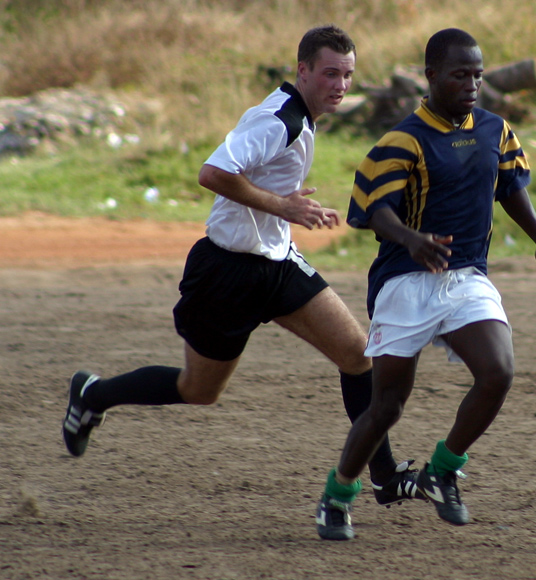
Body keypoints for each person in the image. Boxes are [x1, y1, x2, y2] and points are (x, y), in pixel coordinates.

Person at [61, 24, 425, 509]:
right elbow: (211, 173)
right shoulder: (278, 119)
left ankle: (382, 475)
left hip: (275, 265)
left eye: (348, 75)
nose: (340, 84)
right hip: (227, 272)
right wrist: (285, 207)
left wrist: (284, 213)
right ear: (303, 70)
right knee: (199, 389)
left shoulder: (301, 117)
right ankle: (93, 394)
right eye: (330, 73)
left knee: (359, 356)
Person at [315, 28, 536, 541]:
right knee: (386, 407)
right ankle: (337, 496)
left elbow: (510, 188)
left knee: (498, 372)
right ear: (430, 77)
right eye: (459, 74)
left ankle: (442, 470)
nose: (472, 84)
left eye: (478, 74)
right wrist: (411, 239)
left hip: (467, 276)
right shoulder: (402, 139)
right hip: (405, 281)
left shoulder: (496, 130)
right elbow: (374, 212)